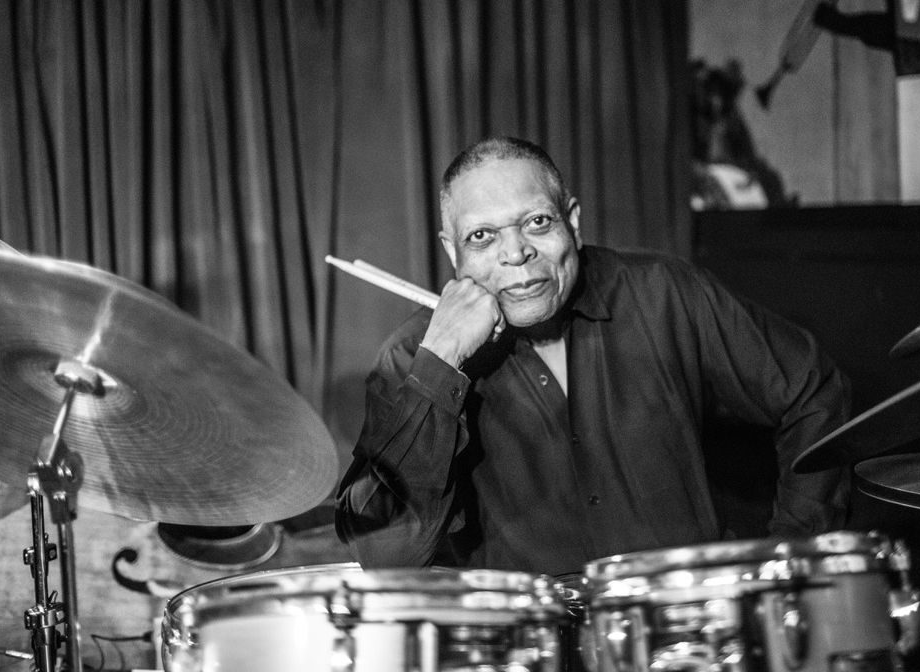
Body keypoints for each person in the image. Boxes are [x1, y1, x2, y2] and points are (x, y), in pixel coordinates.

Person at [335, 136, 850, 577]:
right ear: (454, 252)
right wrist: (441, 362)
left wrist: (796, 551)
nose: (515, 253)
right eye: (482, 236)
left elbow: (813, 391)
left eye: (537, 222)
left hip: (686, 633)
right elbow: (387, 554)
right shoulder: (411, 357)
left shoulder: (664, 294)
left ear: (573, 223)